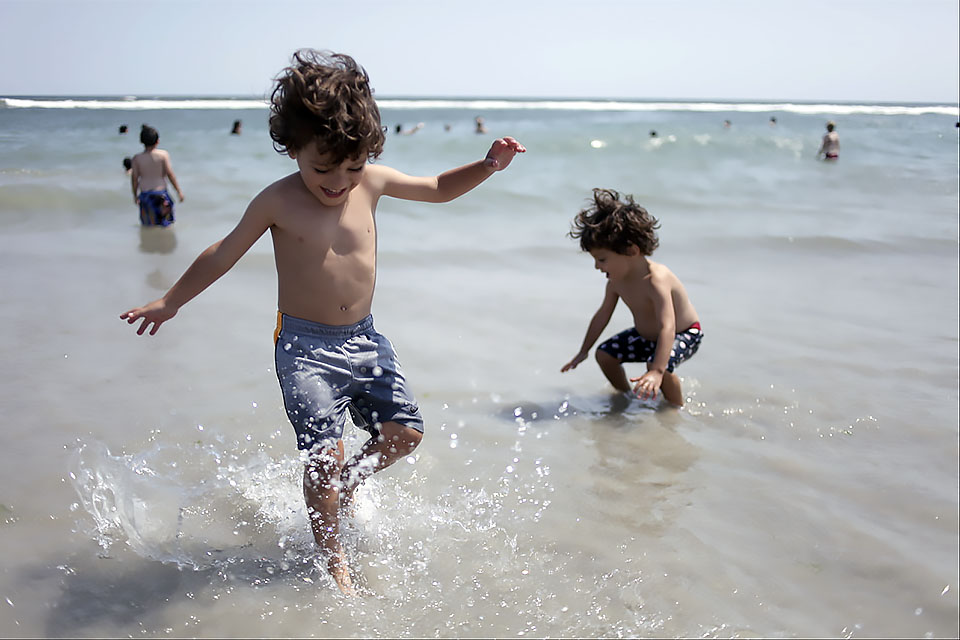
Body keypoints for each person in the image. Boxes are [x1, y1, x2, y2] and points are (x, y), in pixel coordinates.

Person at [119, 49, 525, 595]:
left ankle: (348, 485)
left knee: (405, 434)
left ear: (368, 154)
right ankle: (334, 558)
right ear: (293, 149)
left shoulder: (372, 182)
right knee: (321, 458)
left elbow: (436, 188)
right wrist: (170, 302)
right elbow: (222, 253)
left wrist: (488, 165)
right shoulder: (277, 201)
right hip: (305, 348)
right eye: (322, 167)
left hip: (366, 339)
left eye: (352, 166)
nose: (338, 181)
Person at [561, 189, 702, 408]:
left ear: (631, 251)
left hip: (683, 333)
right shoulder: (615, 282)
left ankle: (675, 409)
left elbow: (668, 326)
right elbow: (602, 316)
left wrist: (656, 370)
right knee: (605, 355)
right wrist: (584, 351)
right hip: (647, 336)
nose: (597, 266)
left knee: (658, 365)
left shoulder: (656, 279)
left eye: (602, 259)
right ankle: (628, 396)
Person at [130, 125, 185, 226]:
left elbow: (134, 179)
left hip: (145, 195)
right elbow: (170, 174)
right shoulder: (163, 155)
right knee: (166, 224)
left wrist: (134, 195)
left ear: (141, 141)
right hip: (161, 195)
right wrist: (179, 192)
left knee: (148, 225)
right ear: (158, 141)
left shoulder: (137, 158)